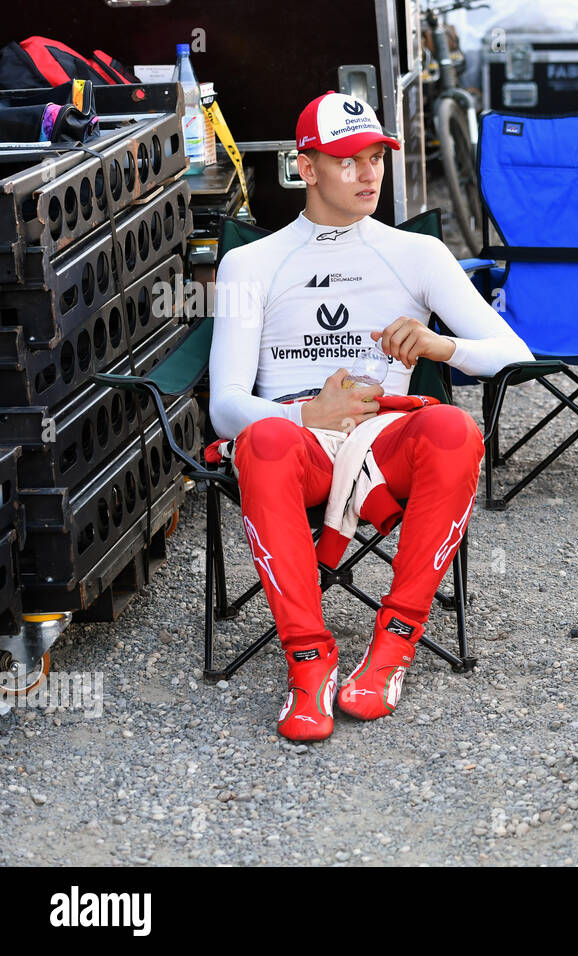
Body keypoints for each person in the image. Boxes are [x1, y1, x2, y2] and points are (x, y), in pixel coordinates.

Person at [209, 92, 532, 741]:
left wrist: (442, 347)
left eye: (375, 157)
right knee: (264, 438)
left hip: (384, 445)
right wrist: (307, 413)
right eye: (347, 159)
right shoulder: (249, 263)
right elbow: (224, 408)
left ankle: (394, 645)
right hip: (295, 449)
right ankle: (309, 659)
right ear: (307, 167)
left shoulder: (417, 253)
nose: (368, 173)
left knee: (452, 428)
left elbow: (513, 355)